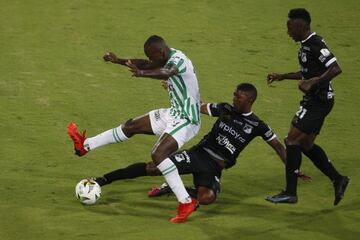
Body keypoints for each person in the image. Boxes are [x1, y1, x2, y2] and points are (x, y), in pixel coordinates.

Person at [91, 83, 308, 223]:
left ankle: (175, 188)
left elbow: (279, 146)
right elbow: (197, 107)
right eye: (234, 95)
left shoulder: (258, 125)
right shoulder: (224, 109)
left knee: (207, 198)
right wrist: (175, 91)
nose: (234, 99)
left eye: (239, 97)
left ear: (249, 100)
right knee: (153, 167)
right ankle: (104, 180)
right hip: (198, 154)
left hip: (215, 167)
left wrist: (293, 170)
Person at [68, 35, 201, 222]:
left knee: (158, 154)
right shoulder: (164, 57)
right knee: (130, 126)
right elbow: (146, 64)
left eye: (153, 57)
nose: (151, 61)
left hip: (187, 119)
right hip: (173, 114)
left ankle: (186, 201)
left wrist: (142, 74)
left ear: (161, 52)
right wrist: (118, 61)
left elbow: (166, 72)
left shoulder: (178, 60)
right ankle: (85, 145)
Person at [265, 8, 349, 205]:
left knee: (291, 140)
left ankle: (290, 192)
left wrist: (315, 82)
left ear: (300, 26)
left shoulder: (316, 44)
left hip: (318, 102)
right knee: (306, 144)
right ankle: (338, 179)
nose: (288, 32)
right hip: (316, 100)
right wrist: (283, 76)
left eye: (290, 28)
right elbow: (307, 72)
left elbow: (335, 68)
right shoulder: (305, 45)